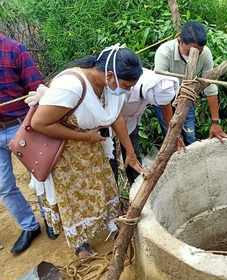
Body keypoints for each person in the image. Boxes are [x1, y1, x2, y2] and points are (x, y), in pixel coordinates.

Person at [29, 44, 144, 258]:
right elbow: (40, 123)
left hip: (93, 146)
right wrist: (85, 137)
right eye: (127, 85)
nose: (127, 90)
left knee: (102, 186)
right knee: (75, 196)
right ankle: (80, 243)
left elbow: (115, 116)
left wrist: (130, 152)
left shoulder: (111, 87)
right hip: (66, 153)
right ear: (110, 75)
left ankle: (111, 224)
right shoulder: (70, 86)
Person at [154, 21, 227, 145]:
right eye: (189, 52)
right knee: (171, 140)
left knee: (190, 137)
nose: (193, 55)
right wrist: (174, 134)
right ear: (180, 41)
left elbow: (210, 87)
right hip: (164, 100)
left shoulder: (205, 54)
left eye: (198, 52)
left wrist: (215, 123)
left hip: (187, 96)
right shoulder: (164, 53)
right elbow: (162, 94)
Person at [0, 33, 42, 255]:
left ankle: (51, 220)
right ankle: (29, 226)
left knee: (40, 175)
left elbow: (37, 89)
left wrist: (31, 123)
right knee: (3, 186)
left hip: (20, 124)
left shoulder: (14, 49)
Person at [110, 68, 180, 185]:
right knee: (110, 160)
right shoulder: (126, 88)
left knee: (134, 158)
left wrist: (173, 134)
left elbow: (165, 104)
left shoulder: (159, 84)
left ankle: (136, 186)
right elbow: (118, 119)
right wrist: (129, 151)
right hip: (110, 123)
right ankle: (113, 193)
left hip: (131, 122)